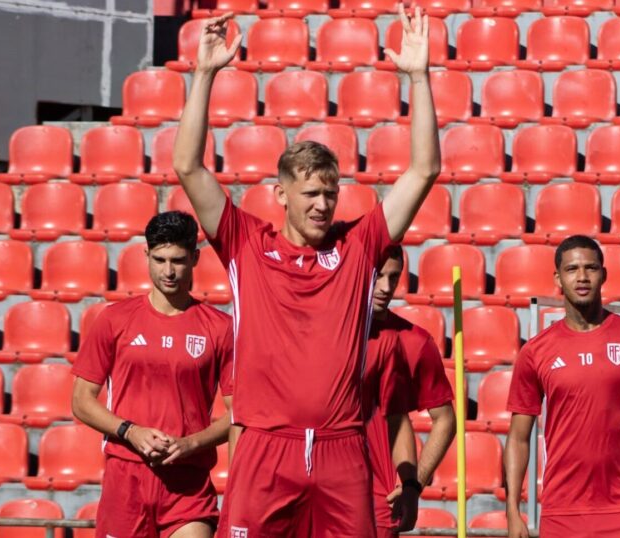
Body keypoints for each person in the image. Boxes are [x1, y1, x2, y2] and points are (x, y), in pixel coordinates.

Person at [172, 6, 440, 534]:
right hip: (265, 448)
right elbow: (188, 167)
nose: (322, 205)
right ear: (282, 195)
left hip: (344, 449)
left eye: (330, 193)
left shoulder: (359, 246)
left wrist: (418, 77)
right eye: (311, 193)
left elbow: (424, 170)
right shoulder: (245, 242)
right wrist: (203, 74)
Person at [71, 211, 234, 538]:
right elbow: (80, 401)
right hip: (126, 477)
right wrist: (130, 432)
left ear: (195, 258)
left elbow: (237, 413)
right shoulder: (114, 320)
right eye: (159, 260)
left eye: (178, 260)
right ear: (146, 256)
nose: (169, 271)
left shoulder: (220, 328)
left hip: (188, 483)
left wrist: (191, 444)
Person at [503, 235, 620, 538]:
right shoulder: (535, 351)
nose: (582, 277)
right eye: (572, 269)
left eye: (591, 268)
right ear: (558, 278)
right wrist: (512, 510)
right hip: (562, 513)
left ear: (604, 274)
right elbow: (519, 437)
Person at [366, 246, 456, 538]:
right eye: (377, 276)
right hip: (319, 493)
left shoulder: (415, 341)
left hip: (378, 503)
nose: (385, 287)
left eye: (393, 278)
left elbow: (445, 420)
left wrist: (413, 485)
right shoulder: (323, 329)